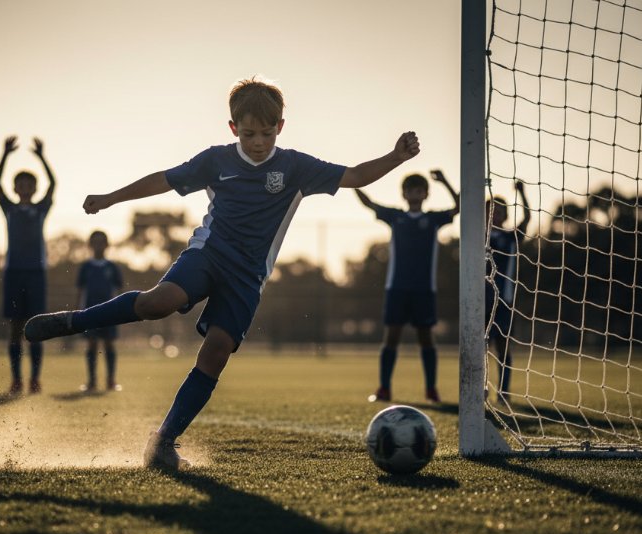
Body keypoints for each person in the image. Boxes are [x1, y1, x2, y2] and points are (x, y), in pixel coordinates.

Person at [24, 78, 420, 470]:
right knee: (159, 302)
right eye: (249, 133)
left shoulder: (296, 167)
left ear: (280, 126)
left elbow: (354, 176)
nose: (259, 142)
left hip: (248, 277)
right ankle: (74, 321)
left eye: (267, 133)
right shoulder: (216, 160)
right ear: (233, 128)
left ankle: (163, 441)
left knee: (215, 354)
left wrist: (395, 157)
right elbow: (163, 179)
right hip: (208, 254)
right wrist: (112, 197)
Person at [354, 170, 459, 404]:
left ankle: (431, 389)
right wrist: (351, 182)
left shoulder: (432, 219)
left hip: (424, 289)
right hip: (397, 288)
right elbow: (369, 203)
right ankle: (384, 389)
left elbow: (458, 206)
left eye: (419, 190)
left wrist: (445, 182)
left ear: (426, 194)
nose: (414, 194)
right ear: (404, 193)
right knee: (391, 337)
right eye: (410, 190)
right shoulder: (395, 216)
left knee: (426, 338)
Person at [0, 136, 55, 394]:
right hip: (14, 273)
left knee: (36, 327)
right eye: (20, 183)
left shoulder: (41, 209)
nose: (25, 187)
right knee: (15, 328)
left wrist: (42, 156)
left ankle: (35, 379)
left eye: (29, 183)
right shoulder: (9, 209)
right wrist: (5, 154)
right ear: (15, 188)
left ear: (34, 188)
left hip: (36, 274)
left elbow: (54, 183)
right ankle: (16, 379)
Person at [487, 180, 530, 403]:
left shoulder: (510, 237)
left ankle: (503, 391)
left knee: (502, 346)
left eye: (499, 211)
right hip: (478, 300)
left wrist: (522, 194)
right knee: (477, 347)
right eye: (491, 211)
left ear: (505, 216)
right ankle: (479, 388)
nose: (495, 215)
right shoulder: (476, 236)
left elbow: (528, 218)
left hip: (502, 299)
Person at [77, 230, 124, 392]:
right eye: (95, 242)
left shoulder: (112, 267)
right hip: (90, 312)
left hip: (109, 312)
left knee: (109, 344)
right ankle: (91, 382)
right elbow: (80, 291)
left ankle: (111, 381)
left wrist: (119, 312)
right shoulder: (85, 267)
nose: (98, 246)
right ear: (90, 245)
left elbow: (119, 290)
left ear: (107, 245)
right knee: (91, 344)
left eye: (101, 242)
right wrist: (78, 313)